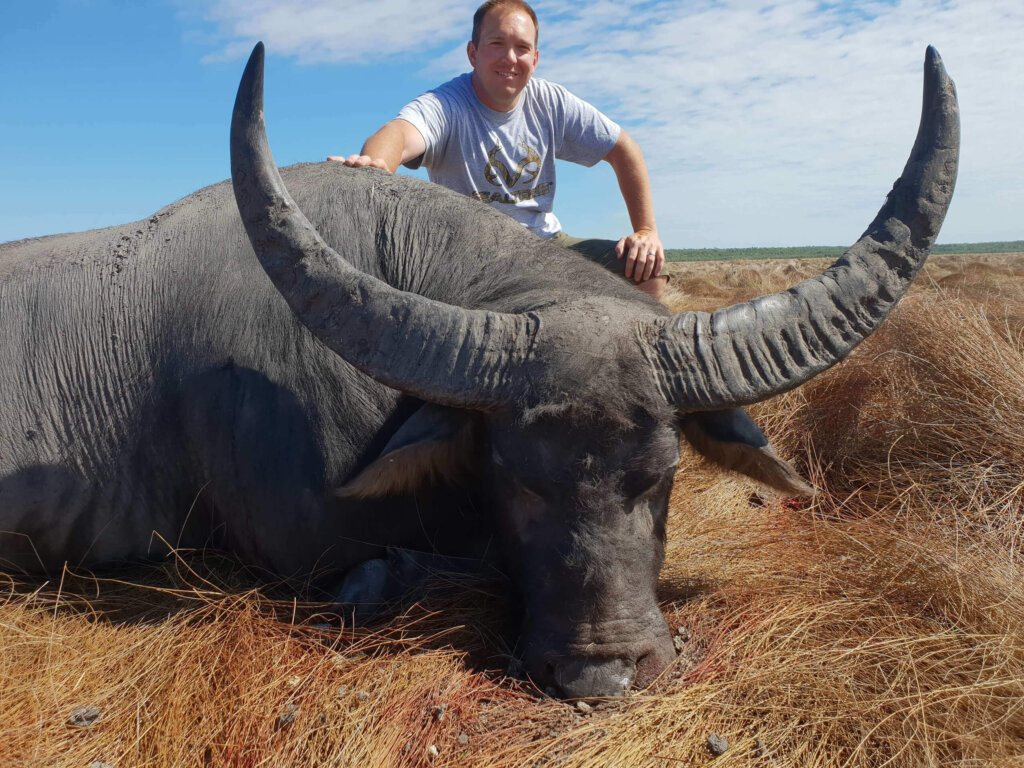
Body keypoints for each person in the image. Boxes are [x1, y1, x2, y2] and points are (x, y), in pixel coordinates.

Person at [329, 0, 667, 299]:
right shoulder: (447, 105)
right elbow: (398, 133)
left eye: (522, 48)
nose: (510, 58)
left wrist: (646, 231)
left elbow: (624, 149)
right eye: (497, 43)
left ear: (534, 59)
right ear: (473, 53)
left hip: (545, 245)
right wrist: (376, 165)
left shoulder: (553, 102)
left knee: (647, 268)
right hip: (465, 254)